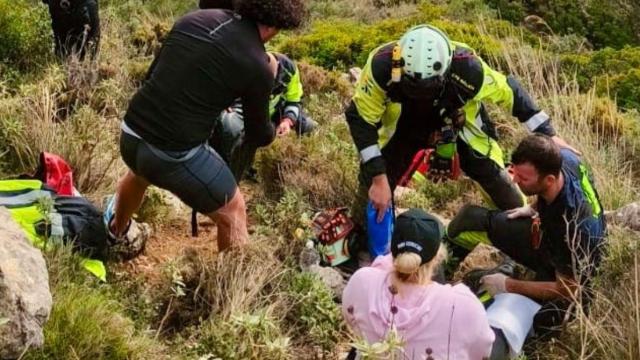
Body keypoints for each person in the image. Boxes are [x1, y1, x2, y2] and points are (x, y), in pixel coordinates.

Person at [103, 1, 305, 251]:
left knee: (139, 173)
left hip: (131, 134)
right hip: (170, 155)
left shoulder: (195, 19)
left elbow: (152, 76)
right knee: (234, 210)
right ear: (277, 25)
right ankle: (229, 286)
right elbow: (258, 134)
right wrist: (273, 108)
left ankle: (115, 234)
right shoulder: (258, 63)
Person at [345, 24, 578, 229]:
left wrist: (547, 133)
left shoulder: (467, 68)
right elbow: (360, 119)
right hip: (402, 126)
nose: (421, 93)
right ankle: (363, 235)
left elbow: (510, 93)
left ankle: (521, 229)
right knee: (375, 184)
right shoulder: (382, 66)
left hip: (457, 125)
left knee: (499, 184)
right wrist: (378, 177)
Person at [450, 134, 606, 335]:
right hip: (552, 237)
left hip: (576, 271)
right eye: (515, 172)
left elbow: (568, 288)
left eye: (523, 178)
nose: (514, 180)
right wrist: (534, 208)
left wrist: (508, 286)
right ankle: (440, 276)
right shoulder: (564, 159)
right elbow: (558, 144)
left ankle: (515, 278)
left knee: (541, 325)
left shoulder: (573, 227)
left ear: (549, 179)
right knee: (472, 218)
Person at [342, 208, 495, 359]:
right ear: (438, 257)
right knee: (508, 313)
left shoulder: (362, 281)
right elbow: (483, 352)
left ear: (392, 249)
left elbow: (350, 320)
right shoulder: (462, 305)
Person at [210, 51, 317, 180]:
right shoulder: (243, 68)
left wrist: (287, 121)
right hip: (244, 110)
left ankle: (299, 167)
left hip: (275, 110)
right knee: (230, 125)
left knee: (309, 126)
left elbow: (294, 100)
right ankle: (234, 169)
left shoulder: (289, 69)